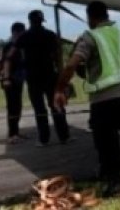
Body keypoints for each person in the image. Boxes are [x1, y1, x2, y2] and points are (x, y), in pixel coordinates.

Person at [54, 1, 120, 196]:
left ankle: (114, 182)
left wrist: (60, 89)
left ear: (91, 17)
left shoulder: (90, 37)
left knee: (107, 143)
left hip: (103, 100)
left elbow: (72, 65)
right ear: (107, 14)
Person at [16, 9, 70, 146]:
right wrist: (61, 73)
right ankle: (64, 136)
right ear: (41, 21)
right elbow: (57, 55)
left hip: (33, 77)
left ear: (30, 21)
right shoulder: (50, 35)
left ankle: (43, 139)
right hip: (50, 75)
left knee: (39, 109)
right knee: (56, 106)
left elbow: (17, 53)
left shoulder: (24, 37)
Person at [0, 22, 27, 144]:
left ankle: (16, 131)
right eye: (21, 32)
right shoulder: (9, 46)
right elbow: (2, 64)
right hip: (9, 81)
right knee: (12, 107)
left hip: (19, 80)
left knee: (18, 106)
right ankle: (11, 134)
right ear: (15, 33)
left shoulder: (23, 47)